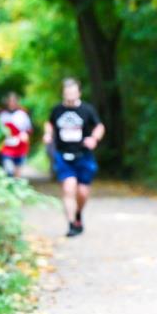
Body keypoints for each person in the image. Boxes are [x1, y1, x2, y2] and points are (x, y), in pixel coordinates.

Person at [44, 78, 105, 237]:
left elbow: (99, 126)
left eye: (73, 93)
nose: (70, 96)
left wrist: (94, 139)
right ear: (63, 93)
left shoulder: (87, 109)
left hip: (83, 155)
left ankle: (78, 214)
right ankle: (71, 224)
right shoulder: (57, 110)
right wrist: (48, 134)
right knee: (68, 187)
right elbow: (49, 123)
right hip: (63, 156)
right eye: (67, 93)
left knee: (82, 193)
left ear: (79, 92)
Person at [0, 92, 32, 178]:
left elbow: (28, 129)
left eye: (14, 101)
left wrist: (25, 135)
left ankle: (16, 186)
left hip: (20, 147)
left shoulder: (22, 114)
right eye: (10, 101)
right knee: (8, 170)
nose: (11, 103)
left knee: (18, 172)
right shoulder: (2, 115)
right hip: (6, 147)